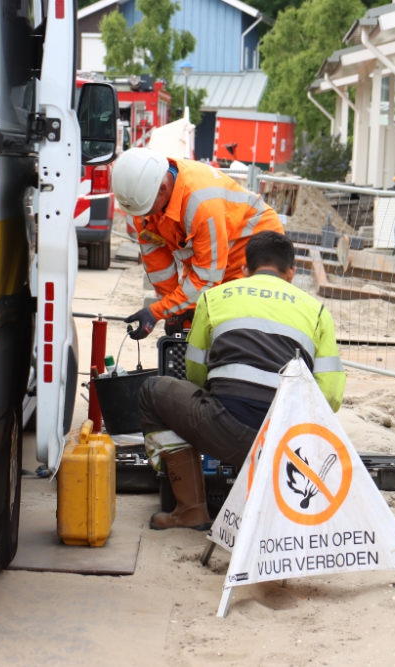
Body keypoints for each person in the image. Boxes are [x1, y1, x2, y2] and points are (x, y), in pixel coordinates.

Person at [138, 231, 346, 530]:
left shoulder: (215, 297)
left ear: (245, 270)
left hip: (225, 430)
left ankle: (190, 509)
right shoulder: (317, 311)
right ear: (292, 273)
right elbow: (330, 397)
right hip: (285, 447)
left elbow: (196, 372)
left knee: (151, 392)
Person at [111, 147, 285, 339]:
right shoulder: (144, 202)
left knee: (234, 327)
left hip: (252, 250)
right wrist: (172, 312)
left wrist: (158, 311)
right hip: (210, 256)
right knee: (192, 325)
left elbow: (206, 279)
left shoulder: (202, 205)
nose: (142, 217)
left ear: (163, 189)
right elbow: (158, 268)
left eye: (146, 210)